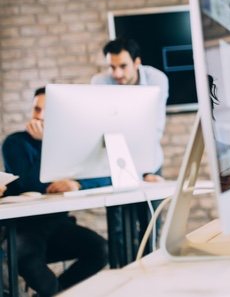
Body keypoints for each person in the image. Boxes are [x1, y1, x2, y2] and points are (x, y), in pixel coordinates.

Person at [2, 87, 108, 297]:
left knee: (101, 250)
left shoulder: (69, 144)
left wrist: (77, 184)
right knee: (23, 256)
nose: (38, 115)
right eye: (36, 109)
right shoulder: (15, 143)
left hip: (58, 225)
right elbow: (30, 184)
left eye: (45, 111)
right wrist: (47, 143)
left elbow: (105, 176)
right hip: (25, 228)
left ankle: (57, 292)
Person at [91, 37, 168, 181]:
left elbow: (155, 128)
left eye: (123, 66)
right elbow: (100, 127)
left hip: (148, 163)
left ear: (137, 63)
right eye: (112, 67)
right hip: (113, 164)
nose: (117, 74)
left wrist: (143, 172)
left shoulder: (156, 80)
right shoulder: (100, 82)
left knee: (156, 203)